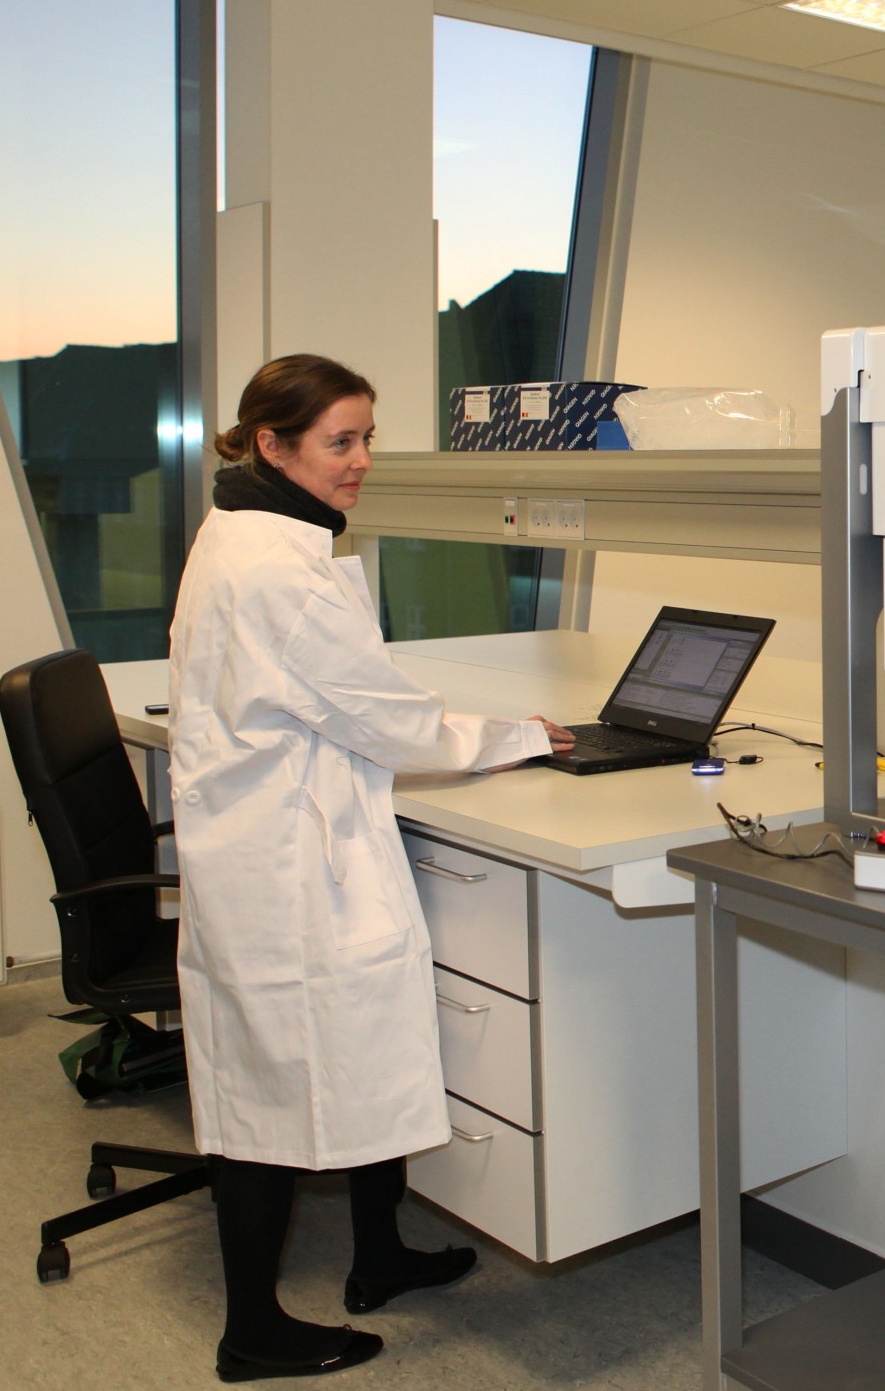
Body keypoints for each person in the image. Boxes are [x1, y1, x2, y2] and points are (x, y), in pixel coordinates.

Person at [168, 355, 572, 1381]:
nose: (361, 461)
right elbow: (389, 721)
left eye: (365, 438)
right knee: (268, 1092)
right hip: (284, 861)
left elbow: (347, 697)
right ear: (274, 445)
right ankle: (252, 1330)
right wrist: (516, 735)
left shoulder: (244, 531)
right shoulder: (279, 568)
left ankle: (378, 1252)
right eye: (340, 442)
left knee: (344, 1045)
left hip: (268, 831)